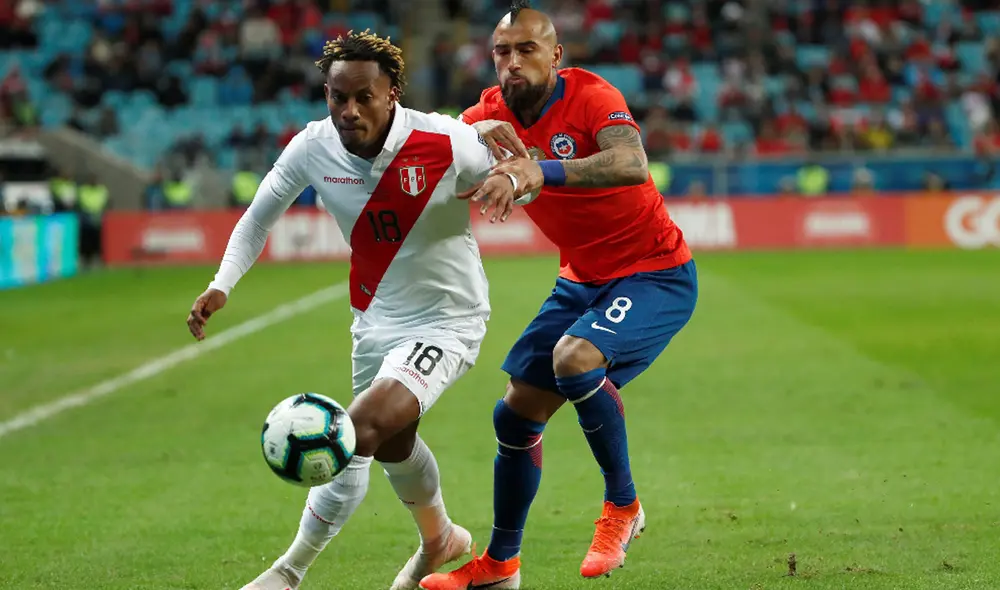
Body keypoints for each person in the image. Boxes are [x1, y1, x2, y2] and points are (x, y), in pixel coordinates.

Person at [184, 30, 518, 590]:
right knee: (394, 443)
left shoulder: (444, 140)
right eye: (338, 97)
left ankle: (288, 572)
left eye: (365, 97)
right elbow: (258, 217)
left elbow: (520, 180)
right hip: (373, 320)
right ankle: (440, 538)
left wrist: (509, 179)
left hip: (448, 319)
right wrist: (222, 284)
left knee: (355, 432)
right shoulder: (311, 147)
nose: (350, 110)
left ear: (392, 94)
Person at [419, 3, 698, 589]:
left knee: (575, 359)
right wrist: (465, 133)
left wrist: (539, 170)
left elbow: (631, 162)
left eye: (527, 50)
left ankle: (623, 505)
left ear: (556, 56)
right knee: (515, 413)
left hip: (654, 271)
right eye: (502, 52)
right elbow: (425, 139)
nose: (513, 62)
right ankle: (500, 566)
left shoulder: (593, 97)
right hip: (580, 279)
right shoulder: (489, 113)